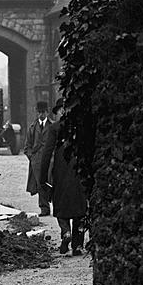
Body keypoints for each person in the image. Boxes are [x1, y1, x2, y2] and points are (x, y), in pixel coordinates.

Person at [38, 99, 87, 256]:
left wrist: (42, 176)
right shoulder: (79, 127)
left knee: (60, 202)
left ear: (60, 111)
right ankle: (78, 244)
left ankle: (66, 233)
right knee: (79, 205)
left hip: (61, 168)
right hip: (78, 167)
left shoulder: (54, 128)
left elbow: (46, 153)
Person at [24, 101, 52, 216]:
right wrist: (32, 157)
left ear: (47, 112)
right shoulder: (32, 127)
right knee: (40, 185)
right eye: (39, 112)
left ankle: (57, 207)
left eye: (43, 112)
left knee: (51, 182)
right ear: (37, 112)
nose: (41, 114)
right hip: (37, 161)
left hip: (50, 160)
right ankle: (44, 209)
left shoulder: (52, 126)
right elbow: (27, 147)